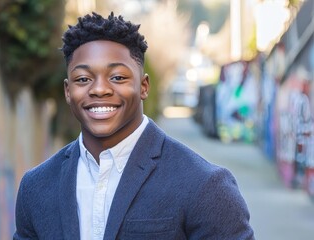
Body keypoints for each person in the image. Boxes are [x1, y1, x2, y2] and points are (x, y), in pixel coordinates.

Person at [14, 12, 254, 240]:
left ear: (144, 86)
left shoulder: (204, 185)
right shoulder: (36, 188)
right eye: (83, 79)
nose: (99, 89)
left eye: (117, 77)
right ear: (68, 91)